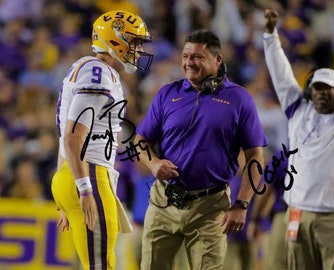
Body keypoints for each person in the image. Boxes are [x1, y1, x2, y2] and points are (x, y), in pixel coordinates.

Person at [134, 29, 267, 270]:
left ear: (218, 60)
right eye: (185, 56)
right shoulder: (167, 93)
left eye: (197, 57)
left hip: (210, 207)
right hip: (164, 200)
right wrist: (153, 163)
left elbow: (256, 157)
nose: (188, 62)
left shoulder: (239, 99)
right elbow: (140, 139)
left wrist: (242, 204)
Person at [51, 10, 153, 270]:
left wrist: (69, 186)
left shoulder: (88, 68)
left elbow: (67, 138)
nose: (139, 50)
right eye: (135, 42)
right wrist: (84, 189)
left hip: (74, 173)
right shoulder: (97, 72)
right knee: (101, 265)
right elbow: (73, 137)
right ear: (115, 39)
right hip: (90, 175)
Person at [263, 9, 334, 270]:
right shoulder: (298, 111)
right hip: (297, 212)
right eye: (317, 88)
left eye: (328, 89)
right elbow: (281, 73)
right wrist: (270, 36)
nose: (321, 94)